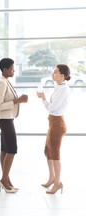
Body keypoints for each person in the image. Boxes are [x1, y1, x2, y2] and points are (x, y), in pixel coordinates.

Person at [0, 58, 28, 193]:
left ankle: (6, 179)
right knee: (12, 149)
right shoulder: (1, 83)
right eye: (12, 68)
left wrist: (18, 101)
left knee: (5, 148)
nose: (14, 71)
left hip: (7, 119)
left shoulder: (6, 81)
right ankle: (3, 180)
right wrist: (17, 100)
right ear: (5, 69)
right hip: (4, 119)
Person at [37, 64, 71, 194]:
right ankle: (52, 178)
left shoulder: (63, 89)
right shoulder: (58, 87)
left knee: (55, 154)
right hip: (52, 122)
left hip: (57, 124)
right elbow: (51, 108)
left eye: (55, 72)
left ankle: (57, 183)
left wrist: (44, 99)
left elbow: (52, 108)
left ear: (62, 75)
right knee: (48, 151)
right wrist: (45, 99)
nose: (53, 74)